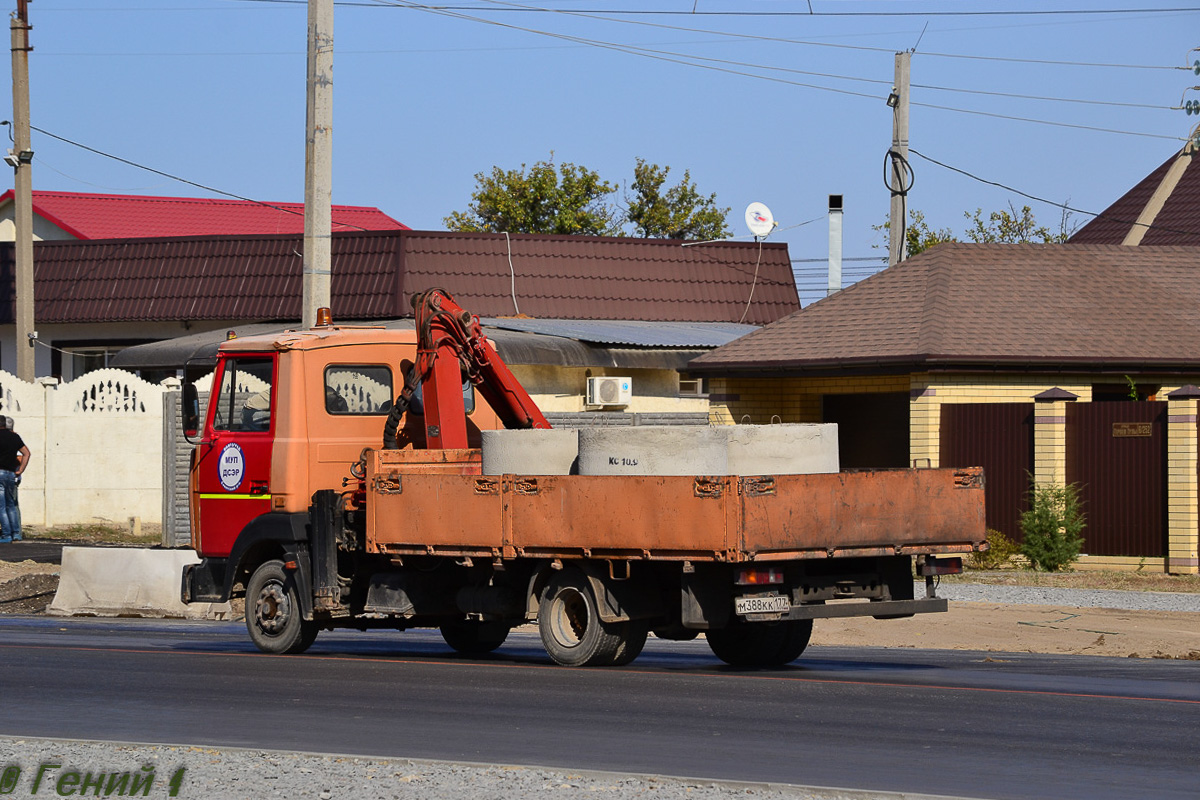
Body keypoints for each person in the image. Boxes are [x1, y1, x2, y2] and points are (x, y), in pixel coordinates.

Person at [0, 415, 29, 543]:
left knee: (1, 506)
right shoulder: (14, 437)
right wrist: (21, 469)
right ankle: (16, 533)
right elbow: (26, 453)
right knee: (11, 505)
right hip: (11, 474)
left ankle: (6, 535)